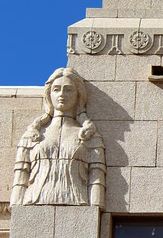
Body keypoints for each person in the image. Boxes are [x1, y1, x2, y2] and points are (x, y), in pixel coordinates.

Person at [11, 67, 105, 207]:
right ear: (49, 94)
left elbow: (96, 177)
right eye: (56, 89)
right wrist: (16, 204)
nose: (61, 94)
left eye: (68, 90)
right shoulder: (32, 134)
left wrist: (96, 205)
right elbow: (21, 175)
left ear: (78, 95)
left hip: (78, 201)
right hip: (34, 200)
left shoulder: (89, 136)